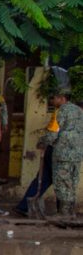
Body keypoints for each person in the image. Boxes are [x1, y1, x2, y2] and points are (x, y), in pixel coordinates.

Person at [46, 84, 83, 217]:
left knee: (61, 183)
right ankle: (71, 212)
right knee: (72, 182)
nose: (52, 101)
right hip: (77, 153)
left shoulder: (61, 111)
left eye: (54, 98)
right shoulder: (79, 110)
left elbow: (53, 132)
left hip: (63, 153)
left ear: (62, 98)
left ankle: (64, 213)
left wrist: (43, 142)